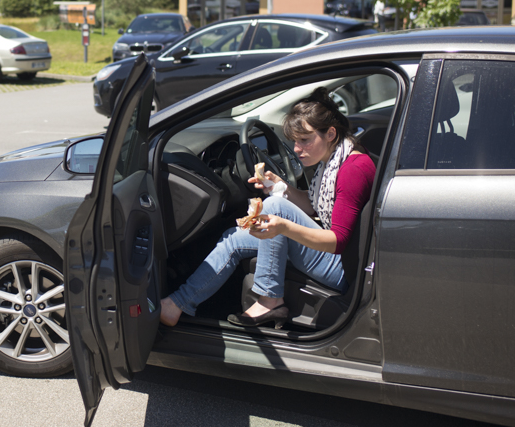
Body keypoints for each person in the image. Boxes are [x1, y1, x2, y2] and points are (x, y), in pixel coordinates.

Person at [160, 87, 376, 328]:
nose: (296, 149)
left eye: (305, 140)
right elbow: (314, 206)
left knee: (275, 208)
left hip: (342, 266)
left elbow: (338, 241)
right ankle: (176, 304)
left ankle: (270, 299)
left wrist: (283, 226)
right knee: (233, 238)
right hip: (338, 255)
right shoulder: (336, 159)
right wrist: (281, 187)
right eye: (294, 141)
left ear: (330, 133)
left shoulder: (352, 169)